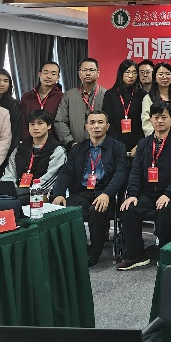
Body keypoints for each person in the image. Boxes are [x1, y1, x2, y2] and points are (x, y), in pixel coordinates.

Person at [117, 102, 171, 270]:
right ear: (150, 119)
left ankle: (164, 252)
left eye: (164, 117)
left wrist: (168, 194)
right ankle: (136, 255)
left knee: (164, 210)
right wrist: (132, 194)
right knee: (128, 209)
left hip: (169, 194)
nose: (160, 121)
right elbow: (135, 172)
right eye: (156, 117)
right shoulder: (143, 144)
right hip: (147, 193)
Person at [52, 109, 128, 266]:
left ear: (107, 126)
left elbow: (120, 173)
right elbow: (66, 172)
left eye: (100, 122)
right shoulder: (77, 149)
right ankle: (79, 249)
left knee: (96, 210)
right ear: (86, 126)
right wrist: (58, 194)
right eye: (92, 123)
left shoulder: (117, 147)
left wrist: (107, 194)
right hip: (82, 192)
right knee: (66, 210)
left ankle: (94, 253)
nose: (96, 126)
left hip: (105, 192)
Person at [2, 109, 66, 205]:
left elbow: (50, 178)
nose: (35, 127)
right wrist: (10, 191)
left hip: (41, 195)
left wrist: (30, 191)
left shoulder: (57, 150)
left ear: (49, 126)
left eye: (40, 123)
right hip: (16, 194)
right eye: (32, 124)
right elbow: (9, 173)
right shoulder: (20, 148)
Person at [55, 57, 107, 151]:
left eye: (91, 70)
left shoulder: (106, 95)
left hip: (102, 148)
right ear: (79, 73)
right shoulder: (69, 95)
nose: (88, 73)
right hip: (74, 147)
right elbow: (60, 121)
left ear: (98, 73)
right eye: (84, 70)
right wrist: (71, 142)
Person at [103, 60, 144, 157]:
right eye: (127, 72)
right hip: (115, 145)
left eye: (134, 73)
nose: (131, 76)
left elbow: (145, 122)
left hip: (138, 146)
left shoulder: (142, 95)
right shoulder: (110, 95)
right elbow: (108, 121)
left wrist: (139, 145)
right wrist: (117, 145)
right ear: (121, 73)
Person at [18, 60, 63, 140]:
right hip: (29, 142)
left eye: (53, 74)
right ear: (40, 74)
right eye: (45, 73)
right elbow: (22, 121)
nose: (49, 76)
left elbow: (61, 123)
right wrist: (28, 140)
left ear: (58, 77)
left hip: (53, 142)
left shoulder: (62, 97)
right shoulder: (27, 97)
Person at [142, 62, 171, 135]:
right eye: (160, 74)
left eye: (167, 74)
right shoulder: (148, 98)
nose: (164, 77)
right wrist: (159, 138)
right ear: (155, 78)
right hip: (158, 138)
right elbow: (147, 124)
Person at [0, 67, 20, 155]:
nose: (2, 84)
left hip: (6, 150)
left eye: (6, 81)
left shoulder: (14, 104)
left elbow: (16, 131)